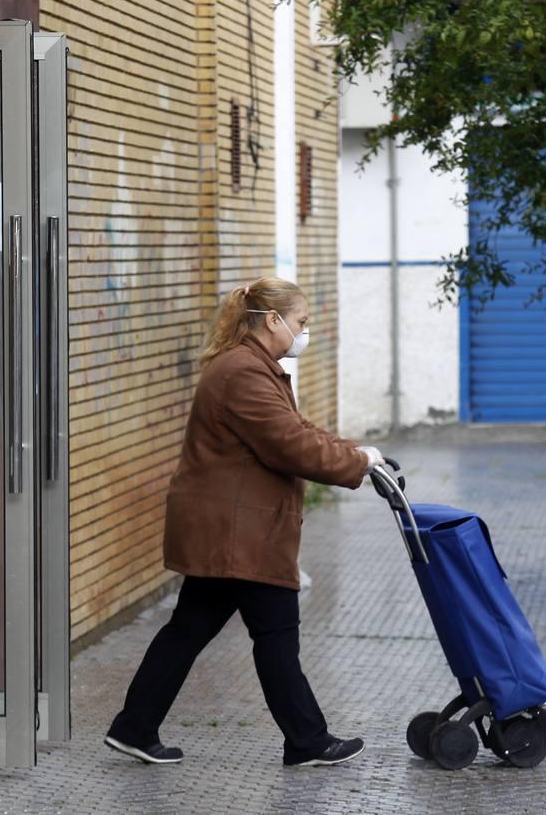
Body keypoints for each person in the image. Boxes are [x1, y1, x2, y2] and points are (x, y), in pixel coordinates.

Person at [105, 278, 384, 767]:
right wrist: (357, 464)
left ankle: (135, 726)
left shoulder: (253, 367)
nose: (304, 332)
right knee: (275, 632)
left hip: (231, 530)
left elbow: (297, 430)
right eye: (301, 323)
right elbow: (290, 445)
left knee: (188, 629)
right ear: (272, 320)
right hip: (239, 533)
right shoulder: (243, 373)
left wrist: (356, 452)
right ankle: (307, 741)